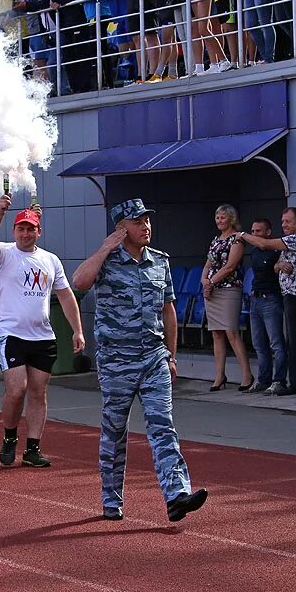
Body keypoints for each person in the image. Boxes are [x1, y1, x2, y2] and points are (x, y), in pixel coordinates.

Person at [72, 198, 209, 522]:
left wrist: (172, 357)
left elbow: (169, 311)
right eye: (137, 221)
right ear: (122, 229)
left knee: (163, 426)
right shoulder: (105, 261)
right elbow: (79, 282)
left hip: (153, 359)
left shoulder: (159, 261)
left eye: (147, 220)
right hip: (117, 360)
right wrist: (106, 247)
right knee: (115, 432)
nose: (145, 226)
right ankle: (111, 499)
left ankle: (176, 495)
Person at [0, 196, 83, 468]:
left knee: (38, 393)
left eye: (30, 229)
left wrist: (77, 330)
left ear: (39, 231)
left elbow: (65, 295)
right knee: (17, 390)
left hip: (42, 337)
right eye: (21, 229)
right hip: (11, 334)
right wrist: (0, 214)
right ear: (14, 231)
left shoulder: (50, 260)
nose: (25, 234)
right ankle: (10, 437)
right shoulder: (4, 255)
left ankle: (33, 448)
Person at [239, 207, 296, 397]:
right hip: (277, 295)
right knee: (281, 343)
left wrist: (242, 235)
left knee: (291, 342)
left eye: (288, 222)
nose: (284, 225)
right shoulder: (280, 244)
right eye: (282, 221)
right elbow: (276, 265)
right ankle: (290, 382)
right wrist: (278, 266)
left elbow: (265, 244)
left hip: (295, 296)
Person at [202, 205, 253, 390]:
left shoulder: (237, 239)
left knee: (231, 332)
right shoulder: (215, 240)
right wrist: (204, 281)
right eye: (217, 217)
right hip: (212, 291)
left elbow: (230, 266)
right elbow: (208, 264)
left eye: (222, 217)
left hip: (229, 289)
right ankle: (219, 375)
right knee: (216, 333)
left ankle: (247, 375)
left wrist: (211, 282)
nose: (219, 221)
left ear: (231, 219)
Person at [243, 219, 288, 394]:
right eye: (252, 231)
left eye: (258, 231)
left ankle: (279, 380)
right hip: (255, 299)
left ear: (268, 232)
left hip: (271, 299)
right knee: (259, 343)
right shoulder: (254, 252)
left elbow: (281, 267)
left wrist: (277, 266)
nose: (254, 235)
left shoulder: (277, 251)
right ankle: (263, 379)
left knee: (276, 342)